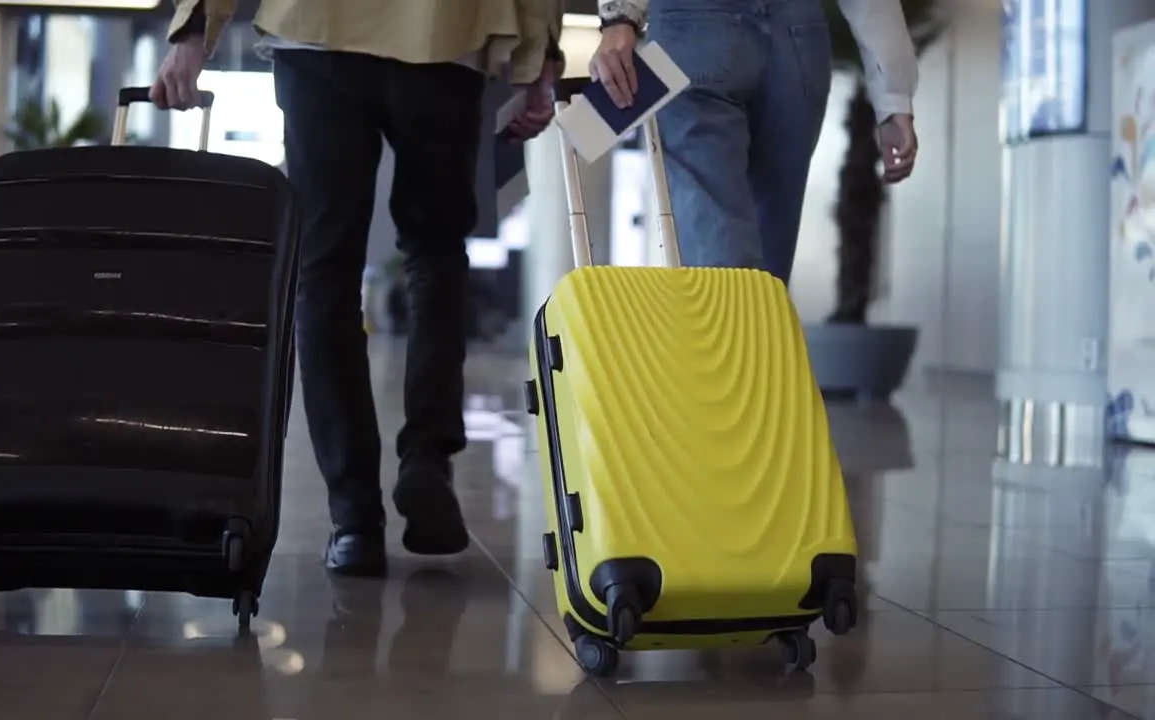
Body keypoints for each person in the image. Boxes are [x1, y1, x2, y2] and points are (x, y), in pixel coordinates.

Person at [151, 0, 565, 576]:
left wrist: (195, 31)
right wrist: (539, 59)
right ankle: (427, 458)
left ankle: (354, 521)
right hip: (445, 36)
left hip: (318, 34)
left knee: (325, 275)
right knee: (436, 256)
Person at [589, 0, 919, 281]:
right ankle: (756, 353)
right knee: (768, 273)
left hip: (696, 26)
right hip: (797, 35)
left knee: (719, 270)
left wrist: (621, 16)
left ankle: (729, 352)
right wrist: (893, 93)